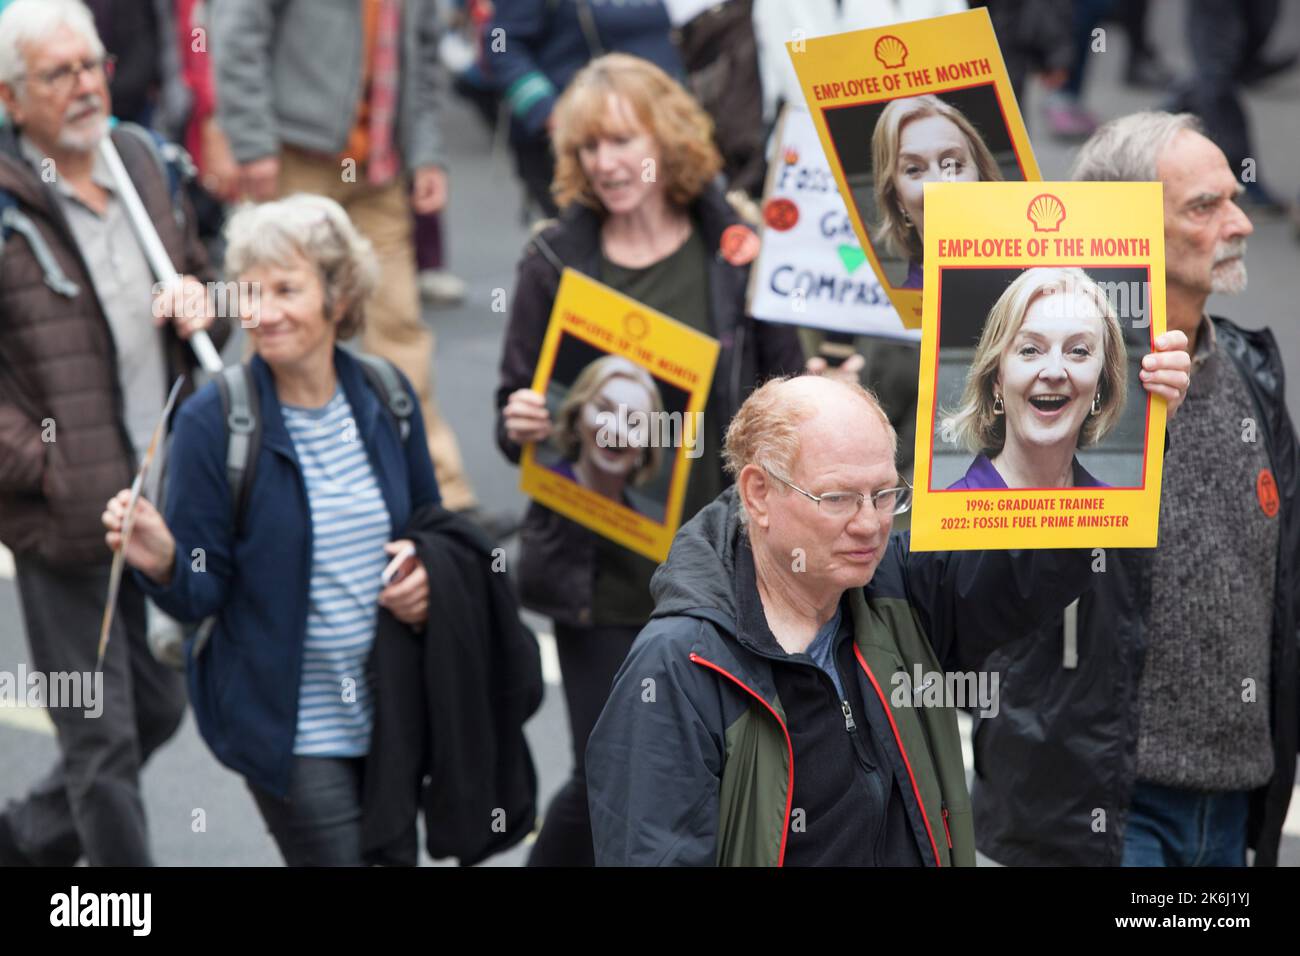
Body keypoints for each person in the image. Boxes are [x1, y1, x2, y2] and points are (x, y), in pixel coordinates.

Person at [584, 370, 1174, 866]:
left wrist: (1137, 419)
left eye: (886, 494)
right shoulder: (679, 665)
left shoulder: (897, 590)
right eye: (838, 498)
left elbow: (1044, 551)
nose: (869, 524)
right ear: (759, 493)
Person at [496, 53, 809, 866]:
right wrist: (522, 417)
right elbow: (515, 412)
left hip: (720, 567)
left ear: (666, 140)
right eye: (589, 146)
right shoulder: (554, 258)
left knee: (706, 773)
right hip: (596, 575)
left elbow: (786, 391)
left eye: (622, 141)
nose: (605, 164)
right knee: (616, 775)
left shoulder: (733, 249)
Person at [971, 111, 1297, 867]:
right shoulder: (1051, 384)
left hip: (1235, 803)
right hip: (1103, 809)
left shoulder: (1252, 371)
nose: (1240, 223)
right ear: (1124, 227)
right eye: (1204, 206)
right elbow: (992, 583)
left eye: (1233, 198)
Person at [102, 195, 440, 866]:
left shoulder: (386, 396)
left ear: (338, 297)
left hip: (392, 712)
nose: (263, 311)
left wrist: (426, 575)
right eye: (251, 291)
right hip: (289, 728)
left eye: (287, 289)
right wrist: (166, 560)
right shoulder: (211, 421)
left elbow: (434, 528)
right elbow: (200, 596)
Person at [0, 0, 227, 866]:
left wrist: (203, 304)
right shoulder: (8, 200)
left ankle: (25, 835)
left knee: (164, 704)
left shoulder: (141, 159)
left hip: (161, 493)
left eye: (92, 65)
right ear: (12, 99)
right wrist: (46, 464)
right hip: (64, 515)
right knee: (103, 742)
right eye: (59, 74)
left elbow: (199, 281)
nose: (87, 86)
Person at [210, 0, 484, 518]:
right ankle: (262, 483)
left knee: (400, 326)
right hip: (294, 158)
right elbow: (236, 32)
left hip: (378, 169)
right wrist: (252, 143)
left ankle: (438, 492)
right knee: (276, 327)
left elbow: (423, 60)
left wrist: (426, 152)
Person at [484, 0, 681, 219]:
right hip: (577, 144)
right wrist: (547, 112)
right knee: (591, 235)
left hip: (655, 136)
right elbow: (499, 42)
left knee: (657, 222)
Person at [945, 267, 1128, 490]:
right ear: (996, 379)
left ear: (1101, 382)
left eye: (1078, 351)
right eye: (1030, 350)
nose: (1054, 371)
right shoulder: (944, 519)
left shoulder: (1118, 517)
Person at [871, 94, 1003, 289]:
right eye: (914, 169)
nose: (939, 183)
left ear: (981, 176)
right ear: (897, 198)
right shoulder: (907, 310)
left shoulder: (1040, 273)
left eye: (953, 164)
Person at [547, 355, 666, 519]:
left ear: (647, 447)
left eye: (634, 422)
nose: (615, 429)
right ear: (576, 418)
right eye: (603, 409)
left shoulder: (639, 529)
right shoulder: (543, 487)